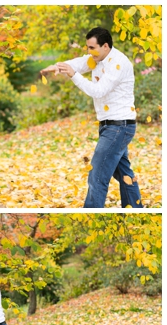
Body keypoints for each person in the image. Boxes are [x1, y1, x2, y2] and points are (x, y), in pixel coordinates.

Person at [42, 27, 143, 208]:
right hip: (111, 125)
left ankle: (91, 210)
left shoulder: (117, 63)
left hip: (119, 126)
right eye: (87, 48)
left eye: (92, 48)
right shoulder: (98, 58)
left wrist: (74, 75)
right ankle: (135, 209)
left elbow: (98, 91)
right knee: (124, 174)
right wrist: (57, 66)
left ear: (105, 46)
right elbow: (78, 63)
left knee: (96, 175)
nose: (89, 52)